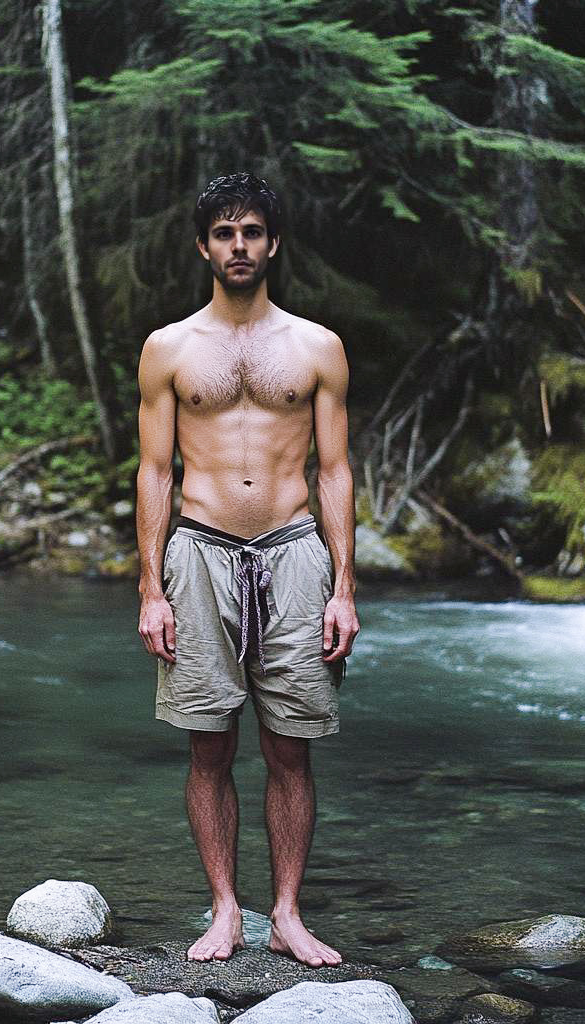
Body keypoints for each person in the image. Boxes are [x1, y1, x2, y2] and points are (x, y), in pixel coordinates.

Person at [135, 172, 359, 968]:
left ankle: (288, 915)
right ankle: (227, 909)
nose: (239, 246)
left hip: (295, 553)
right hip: (198, 552)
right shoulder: (168, 348)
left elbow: (335, 471)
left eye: (252, 232)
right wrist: (150, 589)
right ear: (203, 246)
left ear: (273, 243)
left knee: (291, 748)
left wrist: (343, 586)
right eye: (224, 233)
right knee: (208, 747)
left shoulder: (315, 346)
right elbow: (153, 470)